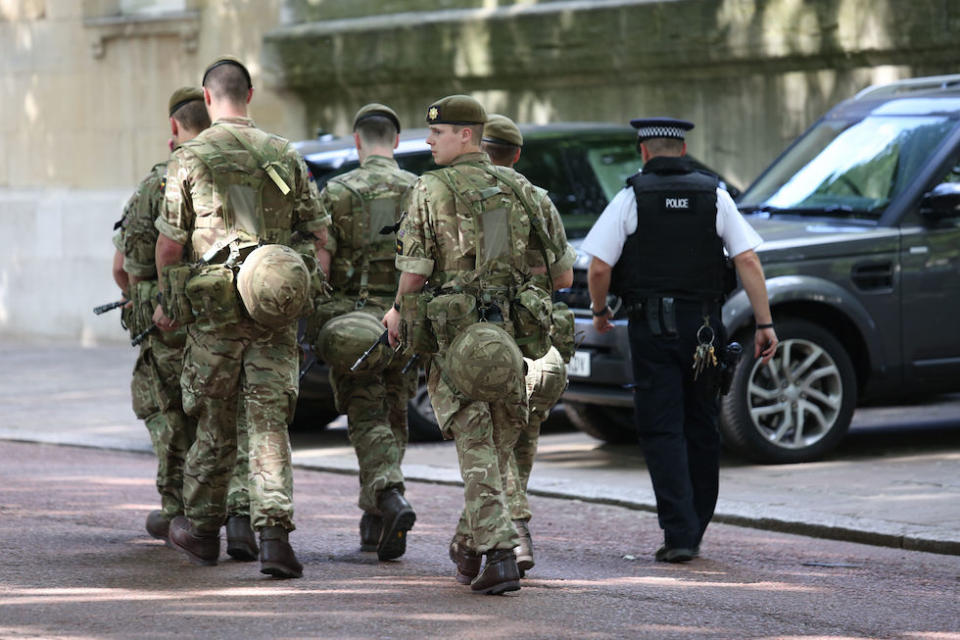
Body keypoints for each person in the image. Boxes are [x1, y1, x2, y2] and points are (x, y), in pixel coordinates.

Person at [153, 56, 328, 579]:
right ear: (249, 95)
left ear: (207, 99)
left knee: (214, 424)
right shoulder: (284, 153)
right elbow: (319, 238)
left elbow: (167, 247)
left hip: (215, 320)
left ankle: (204, 532)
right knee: (269, 426)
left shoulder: (191, 155)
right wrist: (302, 293)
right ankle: (275, 539)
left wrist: (172, 301)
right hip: (273, 317)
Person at [383, 95, 557, 595]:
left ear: (466, 135)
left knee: (477, 446)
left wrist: (397, 312)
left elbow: (414, 274)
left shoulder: (430, 189)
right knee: (497, 448)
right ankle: (470, 545)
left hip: (456, 341)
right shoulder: (524, 190)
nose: (428, 141)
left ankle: (499, 553)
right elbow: (561, 272)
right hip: (512, 343)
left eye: (436, 133)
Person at [583, 117, 778, 562]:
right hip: (705, 331)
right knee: (702, 425)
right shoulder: (716, 195)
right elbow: (746, 259)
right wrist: (764, 324)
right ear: (684, 148)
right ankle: (698, 523)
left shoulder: (631, 196)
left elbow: (598, 267)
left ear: (644, 152)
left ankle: (680, 532)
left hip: (652, 330)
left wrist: (599, 312)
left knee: (661, 428)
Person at [111, 87, 265, 558]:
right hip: (230, 314)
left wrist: (151, 299)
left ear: (174, 127)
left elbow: (125, 267)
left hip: (171, 321)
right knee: (228, 415)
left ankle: (177, 506)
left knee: (170, 412)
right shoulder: (246, 169)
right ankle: (239, 515)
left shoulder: (159, 181)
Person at [310, 103, 418, 561]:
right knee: (394, 411)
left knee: (365, 413)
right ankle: (374, 521)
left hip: (355, 324)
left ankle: (389, 495)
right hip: (406, 320)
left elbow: (321, 265)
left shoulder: (337, 191)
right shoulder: (421, 190)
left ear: (356, 141)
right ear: (395, 141)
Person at [480, 114, 575, 575]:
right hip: (538, 340)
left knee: (491, 439)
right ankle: (503, 530)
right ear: (517, 154)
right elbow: (564, 276)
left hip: (487, 337)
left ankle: (514, 530)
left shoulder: (468, 196)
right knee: (523, 434)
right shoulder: (539, 200)